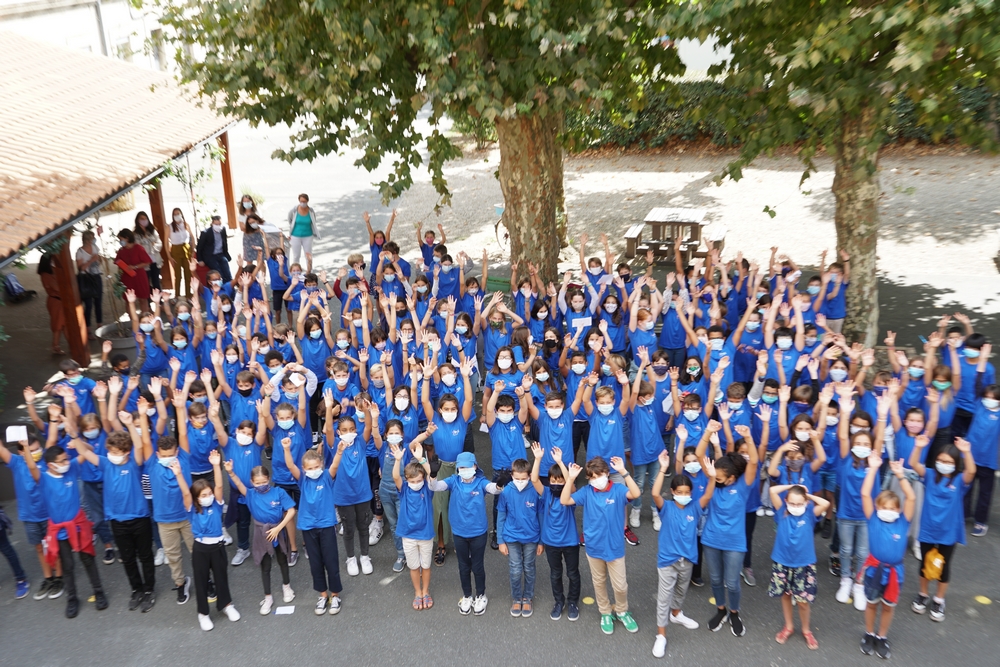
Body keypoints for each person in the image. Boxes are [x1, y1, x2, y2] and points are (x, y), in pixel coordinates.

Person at [74, 427, 157, 613]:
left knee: (145, 556)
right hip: (117, 520)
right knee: (127, 558)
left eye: (116, 452)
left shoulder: (135, 463)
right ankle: (137, 589)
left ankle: (149, 589)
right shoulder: (105, 463)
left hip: (139, 518)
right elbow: (82, 451)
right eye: (110, 451)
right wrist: (73, 434)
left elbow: (139, 444)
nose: (111, 455)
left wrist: (130, 426)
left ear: (127, 451)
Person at [559, 456, 642, 636]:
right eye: (592, 477)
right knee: (599, 582)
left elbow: (635, 494)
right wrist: (571, 478)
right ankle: (605, 612)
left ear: (607, 473)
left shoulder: (619, 490)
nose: (597, 479)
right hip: (594, 547)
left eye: (600, 475)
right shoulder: (587, 492)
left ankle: (621, 610)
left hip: (614, 547)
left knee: (620, 586)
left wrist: (624, 471)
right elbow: (564, 500)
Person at [650, 450, 717, 658]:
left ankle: (677, 613)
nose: (685, 495)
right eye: (680, 491)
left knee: (681, 591)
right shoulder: (667, 507)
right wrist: (662, 469)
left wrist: (712, 476)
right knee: (664, 597)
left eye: (688, 492)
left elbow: (707, 495)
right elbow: (654, 494)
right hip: (667, 561)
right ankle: (661, 635)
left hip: (687, 560)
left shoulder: (695, 508)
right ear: (672, 492)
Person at [28, 445, 107, 618]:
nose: (66, 462)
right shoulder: (43, 479)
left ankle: (99, 592)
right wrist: (25, 448)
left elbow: (86, 451)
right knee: (67, 566)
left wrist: (75, 438)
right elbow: (32, 466)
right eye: (61, 461)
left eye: (66, 458)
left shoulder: (71, 469)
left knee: (88, 559)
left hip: (79, 525)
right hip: (60, 530)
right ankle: (72, 599)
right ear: (50, 465)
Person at [699, 421, 759, 637]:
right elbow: (699, 456)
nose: (716, 480)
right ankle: (721, 610)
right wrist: (707, 433)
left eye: (720, 478)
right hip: (711, 540)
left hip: (735, 543)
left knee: (732, 583)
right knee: (716, 580)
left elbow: (753, 464)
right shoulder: (714, 481)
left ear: (732, 478)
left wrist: (749, 438)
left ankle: (734, 612)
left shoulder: (743, 486)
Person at [909, 436, 975, 623]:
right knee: (924, 564)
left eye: (948, 462)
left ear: (956, 464)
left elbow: (971, 470)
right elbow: (914, 463)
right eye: (940, 460)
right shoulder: (929, 475)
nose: (943, 464)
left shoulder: (960, 480)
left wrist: (966, 451)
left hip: (949, 531)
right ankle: (923, 594)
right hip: (929, 528)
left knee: (943, 567)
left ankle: (939, 599)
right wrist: (919, 446)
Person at [427, 451, 501, 616]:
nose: (465, 469)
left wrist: (500, 484)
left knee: (477, 566)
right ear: (457, 469)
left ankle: (481, 595)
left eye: (468, 466)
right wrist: (432, 474)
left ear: (475, 466)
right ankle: (467, 595)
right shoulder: (453, 481)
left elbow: (494, 490)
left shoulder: (481, 482)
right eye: (461, 467)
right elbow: (435, 487)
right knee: (463, 566)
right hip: (459, 532)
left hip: (478, 533)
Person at [277, 437, 343, 615]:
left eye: (316, 467)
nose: (313, 471)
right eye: (310, 468)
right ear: (304, 469)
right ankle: (323, 595)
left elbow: (335, 465)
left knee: (331, 561)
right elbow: (290, 465)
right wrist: (286, 449)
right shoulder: (303, 480)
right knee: (315, 564)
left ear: (321, 465)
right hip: (308, 527)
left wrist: (339, 452)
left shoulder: (327, 477)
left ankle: (335, 595)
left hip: (327, 525)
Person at [859, 454, 916, 660]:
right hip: (874, 570)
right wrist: (873, 468)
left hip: (894, 573)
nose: (888, 511)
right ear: (877, 507)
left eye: (892, 508)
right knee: (871, 602)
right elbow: (865, 493)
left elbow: (911, 498)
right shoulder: (873, 519)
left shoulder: (903, 522)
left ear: (899, 510)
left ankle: (882, 636)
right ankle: (869, 633)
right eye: (883, 507)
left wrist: (900, 476)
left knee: (888, 606)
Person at [0, 428, 63, 599]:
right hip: (29, 515)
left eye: (37, 448)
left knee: (53, 547)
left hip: (48, 513)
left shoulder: (46, 462)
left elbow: (51, 437)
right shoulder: (16, 463)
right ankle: (48, 578)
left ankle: (59, 577)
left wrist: (55, 421)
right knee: (39, 548)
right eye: (30, 449)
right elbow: (2, 450)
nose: (36, 452)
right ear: (20, 452)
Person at [768, 483, 831, 651]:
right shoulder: (781, 511)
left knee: (803, 602)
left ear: (806, 503)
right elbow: (772, 490)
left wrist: (807, 496)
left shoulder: (810, 513)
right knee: (786, 596)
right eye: (792, 503)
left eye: (799, 503)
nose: (796, 507)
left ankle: (806, 629)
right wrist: (793, 486)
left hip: (804, 564)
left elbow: (825, 504)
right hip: (782, 562)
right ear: (786, 500)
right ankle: (789, 626)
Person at [183, 450, 241, 630]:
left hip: (218, 547)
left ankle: (226, 605)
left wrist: (216, 465)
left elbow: (219, 487)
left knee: (221, 577)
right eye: (203, 495)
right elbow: (185, 493)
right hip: (200, 549)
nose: (208, 497)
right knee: (201, 581)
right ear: (196, 499)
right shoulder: (192, 510)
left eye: (209, 493)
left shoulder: (216, 505)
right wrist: (178, 475)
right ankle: (203, 613)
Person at [229, 465, 296, 615]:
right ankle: (268, 597)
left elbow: (291, 510)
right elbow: (238, 484)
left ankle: (287, 587)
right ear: (252, 482)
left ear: (269, 479)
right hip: (261, 533)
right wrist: (230, 472)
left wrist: (279, 528)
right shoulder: (250, 494)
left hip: (277, 530)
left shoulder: (279, 492)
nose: (261, 485)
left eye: (263, 482)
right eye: (257, 483)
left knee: (282, 559)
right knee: (265, 565)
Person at [530, 445, 581, 622]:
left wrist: (560, 462)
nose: (557, 484)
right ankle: (559, 602)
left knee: (573, 573)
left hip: (570, 542)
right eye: (553, 480)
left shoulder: (570, 497)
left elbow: (571, 485)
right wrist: (537, 459)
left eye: (560, 481)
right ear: (549, 481)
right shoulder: (546, 495)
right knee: (555, 573)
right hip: (551, 542)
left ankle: (573, 602)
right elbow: (534, 479)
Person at [390, 439, 436, 611]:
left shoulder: (427, 489)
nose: (416, 484)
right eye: (412, 481)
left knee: (426, 566)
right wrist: (397, 460)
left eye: (419, 480)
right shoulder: (404, 490)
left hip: (426, 534)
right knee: (414, 566)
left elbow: (432, 475)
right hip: (408, 535)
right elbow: (395, 476)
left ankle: (426, 591)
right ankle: (417, 592)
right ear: (407, 480)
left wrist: (422, 459)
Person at [497, 455, 543, 618]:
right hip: (511, 536)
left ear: (530, 476)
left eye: (523, 478)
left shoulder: (536, 492)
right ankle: (517, 598)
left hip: (531, 537)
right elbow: (501, 516)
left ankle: (527, 597)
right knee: (516, 569)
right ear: (512, 475)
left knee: (529, 568)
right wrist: (500, 540)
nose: (520, 481)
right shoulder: (507, 491)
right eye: (517, 478)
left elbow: (540, 516)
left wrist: (541, 541)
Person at [75, 229, 104, 335]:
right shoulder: (80, 252)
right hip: (86, 279)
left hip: (96, 276)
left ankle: (100, 325)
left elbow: (99, 261)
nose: (94, 240)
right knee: (88, 305)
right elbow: (80, 268)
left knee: (98, 303)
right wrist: (91, 260)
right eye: (92, 238)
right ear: (87, 240)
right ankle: (87, 328)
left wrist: (99, 259)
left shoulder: (95, 247)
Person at [37, 253, 67, 354]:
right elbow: (56, 287)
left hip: (59, 300)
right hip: (56, 301)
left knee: (63, 325)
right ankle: (55, 346)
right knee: (58, 326)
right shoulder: (46, 274)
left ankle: (66, 345)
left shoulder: (53, 270)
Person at [116, 229, 153, 310]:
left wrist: (135, 267)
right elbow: (118, 263)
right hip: (126, 278)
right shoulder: (121, 251)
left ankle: (145, 319)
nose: (120, 241)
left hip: (139, 276)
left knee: (143, 299)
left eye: (121, 239)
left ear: (127, 238)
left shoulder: (139, 248)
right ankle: (132, 320)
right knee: (129, 301)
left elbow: (147, 261)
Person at [287, 193, 319, 272]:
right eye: (301, 201)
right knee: (296, 256)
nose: (302, 203)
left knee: (308, 255)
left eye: (304, 201)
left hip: (308, 236)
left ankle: (309, 271)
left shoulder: (311, 211)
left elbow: (313, 221)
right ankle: (295, 272)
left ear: (307, 201)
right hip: (295, 235)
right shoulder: (294, 210)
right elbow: (290, 220)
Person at [196, 215, 233, 284]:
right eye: (216, 224)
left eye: (219, 224)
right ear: (212, 224)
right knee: (219, 272)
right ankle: (222, 289)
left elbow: (225, 242)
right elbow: (199, 247)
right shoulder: (205, 233)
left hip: (221, 254)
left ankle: (230, 288)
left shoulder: (223, 230)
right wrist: (200, 260)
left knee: (227, 271)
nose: (218, 226)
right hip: (210, 256)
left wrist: (226, 253)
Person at [167, 208, 194, 297]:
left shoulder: (186, 225)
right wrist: (169, 256)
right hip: (176, 250)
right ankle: (177, 295)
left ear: (181, 214)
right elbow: (166, 242)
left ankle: (188, 294)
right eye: (175, 214)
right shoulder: (169, 227)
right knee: (178, 275)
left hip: (186, 249)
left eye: (178, 213)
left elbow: (192, 238)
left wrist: (193, 250)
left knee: (188, 274)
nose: (177, 216)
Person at [133, 211, 162, 291]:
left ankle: (159, 300)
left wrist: (152, 246)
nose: (144, 220)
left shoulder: (153, 231)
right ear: (138, 220)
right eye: (141, 219)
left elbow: (159, 244)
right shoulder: (135, 234)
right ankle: (148, 301)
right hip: (144, 263)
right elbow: (139, 248)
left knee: (156, 282)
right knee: (146, 283)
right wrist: (150, 244)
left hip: (155, 261)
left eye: (145, 219)